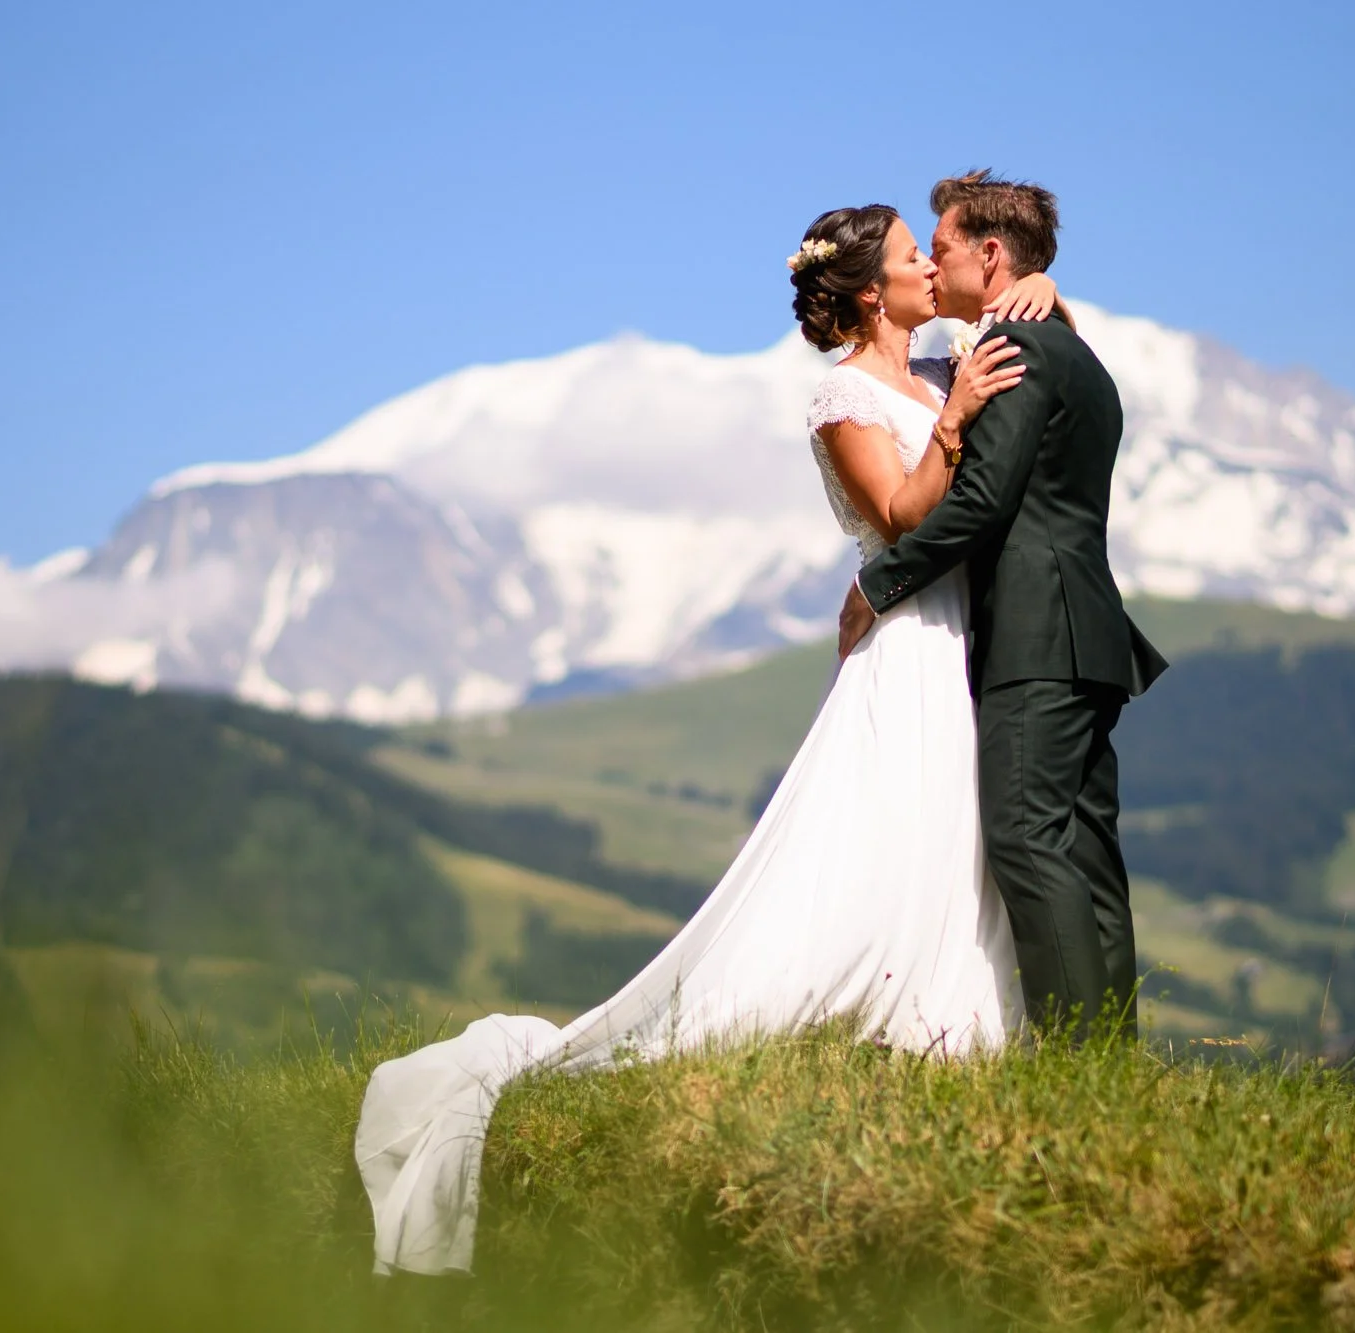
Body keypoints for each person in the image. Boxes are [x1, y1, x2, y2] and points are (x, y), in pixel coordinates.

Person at [354, 195, 1066, 1276]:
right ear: (871, 291)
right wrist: (957, 418)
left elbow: (1027, 339)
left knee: (956, 830)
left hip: (966, 642)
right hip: (907, 643)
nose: (932, 270)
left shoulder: (938, 369)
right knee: (892, 829)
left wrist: (1041, 295)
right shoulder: (845, 397)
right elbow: (900, 520)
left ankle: (951, 1026)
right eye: (914, 258)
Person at [838, 170, 1170, 1037]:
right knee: (1089, 854)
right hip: (1092, 636)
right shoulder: (1075, 353)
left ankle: (1073, 1064)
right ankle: (1110, 1068)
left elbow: (982, 502)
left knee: (1026, 839)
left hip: (1035, 637)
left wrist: (878, 585)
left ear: (990, 256)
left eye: (940, 249)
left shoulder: (1013, 351)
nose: (931, 264)